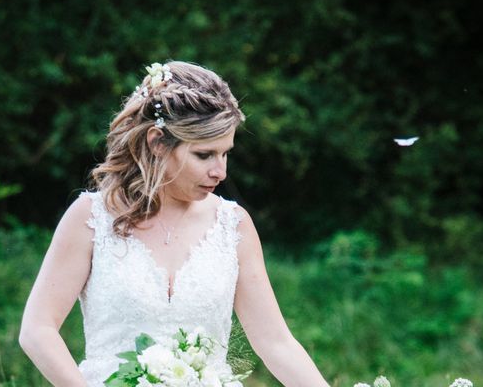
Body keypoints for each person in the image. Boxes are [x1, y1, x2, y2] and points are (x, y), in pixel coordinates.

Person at [19, 61, 331, 387]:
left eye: (226, 154)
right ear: (157, 142)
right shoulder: (91, 218)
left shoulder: (232, 226)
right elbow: (38, 329)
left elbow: (275, 343)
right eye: (204, 155)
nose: (220, 172)